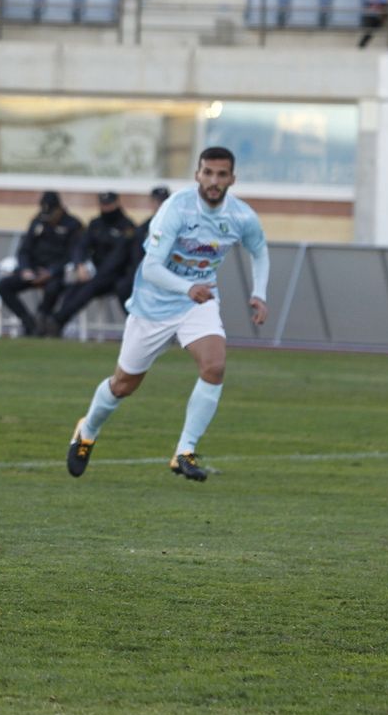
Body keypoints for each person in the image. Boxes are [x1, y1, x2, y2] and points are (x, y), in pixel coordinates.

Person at [66, 147, 270, 482]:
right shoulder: (176, 208)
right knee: (123, 385)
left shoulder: (241, 216)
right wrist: (187, 288)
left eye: (221, 174)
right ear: (197, 174)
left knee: (214, 367)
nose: (214, 181)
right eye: (208, 173)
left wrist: (259, 294)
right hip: (153, 305)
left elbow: (259, 251)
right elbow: (151, 268)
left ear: (232, 179)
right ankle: (87, 431)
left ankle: (184, 451)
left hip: (197, 303)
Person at [0, 190, 82, 337]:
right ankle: (28, 322)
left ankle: (42, 318)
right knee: (3, 286)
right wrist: (26, 269)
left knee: (53, 289)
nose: (48, 218)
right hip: (34, 270)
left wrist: (51, 272)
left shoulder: (73, 225)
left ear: (59, 209)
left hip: (56, 274)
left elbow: (72, 255)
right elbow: (24, 250)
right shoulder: (37, 221)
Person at [49, 192, 138, 334]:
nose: (106, 208)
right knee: (74, 287)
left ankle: (58, 319)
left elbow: (118, 257)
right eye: (103, 204)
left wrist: (97, 274)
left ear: (116, 203)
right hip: (95, 273)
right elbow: (81, 246)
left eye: (108, 204)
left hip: (116, 275)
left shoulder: (127, 227)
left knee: (89, 287)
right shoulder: (96, 224)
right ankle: (56, 323)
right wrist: (80, 264)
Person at [117, 184, 169, 306]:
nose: (160, 205)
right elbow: (136, 254)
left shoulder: (178, 224)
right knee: (123, 287)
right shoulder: (144, 228)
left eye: (163, 202)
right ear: (152, 203)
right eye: (157, 202)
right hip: (146, 270)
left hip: (169, 270)